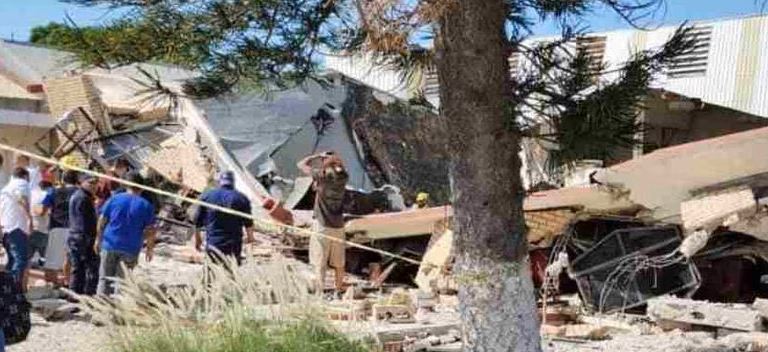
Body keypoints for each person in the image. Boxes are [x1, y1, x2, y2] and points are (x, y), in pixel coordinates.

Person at [95, 172, 156, 296]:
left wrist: (98, 239)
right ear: (142, 187)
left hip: (109, 244)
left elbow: (102, 220)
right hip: (131, 248)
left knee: (104, 280)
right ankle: (116, 311)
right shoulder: (146, 205)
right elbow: (150, 231)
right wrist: (150, 248)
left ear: (126, 185)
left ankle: (100, 310)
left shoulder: (115, 199)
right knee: (121, 284)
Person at [297, 151, 349, 294]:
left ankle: (320, 290)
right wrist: (335, 159)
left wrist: (317, 156)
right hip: (338, 225)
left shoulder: (322, 177)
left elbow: (301, 164)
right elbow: (341, 168)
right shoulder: (343, 178)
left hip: (322, 224)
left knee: (320, 260)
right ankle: (338, 289)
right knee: (339, 262)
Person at [193, 171, 254, 269]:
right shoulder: (242, 198)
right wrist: (250, 237)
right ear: (233, 182)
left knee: (211, 275)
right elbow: (248, 223)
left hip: (213, 243)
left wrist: (198, 239)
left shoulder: (207, 196)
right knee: (231, 276)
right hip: (234, 245)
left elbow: (197, 221)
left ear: (220, 181)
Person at [41, 170, 80, 286]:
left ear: (63, 179)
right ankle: (69, 283)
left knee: (52, 261)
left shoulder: (53, 191)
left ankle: (54, 285)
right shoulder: (80, 193)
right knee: (70, 258)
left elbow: (43, 209)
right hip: (75, 229)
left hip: (57, 227)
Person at [67, 174, 100, 295]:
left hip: (77, 236)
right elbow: (86, 222)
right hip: (82, 237)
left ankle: (76, 295)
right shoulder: (83, 198)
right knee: (85, 268)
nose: (94, 186)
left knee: (79, 269)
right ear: (82, 182)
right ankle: (80, 296)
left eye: (96, 183)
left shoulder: (80, 196)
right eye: (90, 183)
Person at [1, 167, 32, 291]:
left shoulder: (5, 188)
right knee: (20, 259)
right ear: (25, 176)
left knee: (12, 259)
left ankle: (6, 288)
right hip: (17, 226)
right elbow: (21, 199)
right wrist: (29, 218)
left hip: (6, 228)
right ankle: (14, 288)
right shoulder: (22, 184)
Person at [29, 180, 53, 269]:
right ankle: (40, 264)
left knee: (28, 255)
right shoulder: (47, 195)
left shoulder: (31, 193)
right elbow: (46, 211)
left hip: (30, 227)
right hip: (43, 229)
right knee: (45, 254)